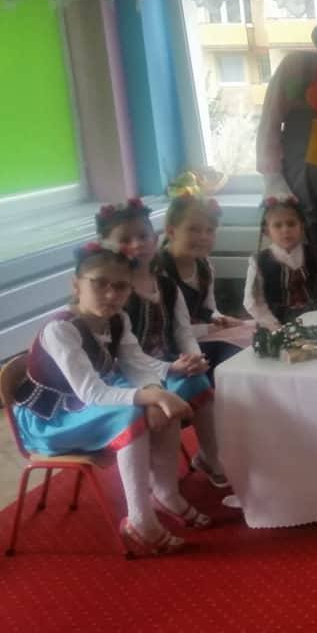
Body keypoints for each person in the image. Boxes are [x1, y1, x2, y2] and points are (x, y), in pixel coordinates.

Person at [11, 244, 208, 555]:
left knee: (162, 399)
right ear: (76, 285)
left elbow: (137, 364)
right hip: (50, 419)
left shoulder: (119, 320)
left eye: (120, 287)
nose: (111, 294)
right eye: (99, 283)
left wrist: (157, 394)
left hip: (83, 406)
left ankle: (166, 492)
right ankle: (140, 520)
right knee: (133, 412)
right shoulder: (61, 328)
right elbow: (91, 392)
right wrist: (154, 395)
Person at [96, 200, 227, 489]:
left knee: (200, 381)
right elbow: (124, 356)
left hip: (164, 364)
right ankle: (159, 481)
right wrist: (169, 369)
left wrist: (193, 358)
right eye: (125, 239)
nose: (137, 244)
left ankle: (210, 457)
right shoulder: (112, 295)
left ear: (154, 240)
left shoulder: (165, 284)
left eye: (143, 236)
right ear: (105, 244)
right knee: (161, 402)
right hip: (124, 374)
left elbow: (183, 331)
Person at [153, 194, 243, 370]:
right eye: (194, 229)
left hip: (199, 335)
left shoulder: (204, 266)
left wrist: (219, 319)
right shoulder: (159, 271)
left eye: (210, 230)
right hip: (170, 350)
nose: (203, 237)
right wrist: (209, 329)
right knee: (231, 358)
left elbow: (209, 308)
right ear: (171, 232)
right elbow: (170, 331)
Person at [243, 196, 317, 331]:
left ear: (302, 227)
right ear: (267, 231)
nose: (285, 230)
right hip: (275, 324)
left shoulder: (316, 255)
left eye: (291, 224)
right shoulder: (259, 262)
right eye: (278, 225)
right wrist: (275, 327)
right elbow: (253, 302)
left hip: (314, 320)